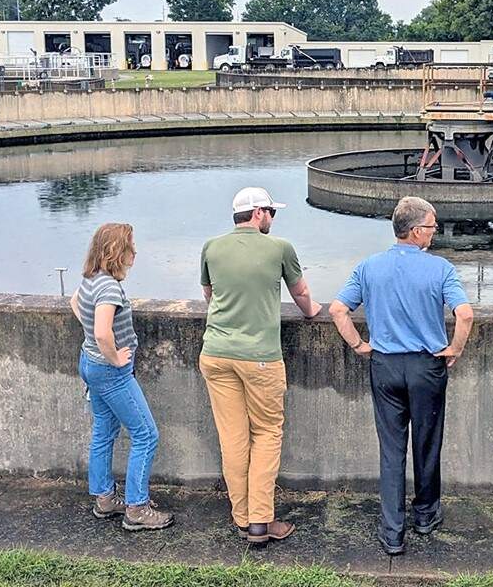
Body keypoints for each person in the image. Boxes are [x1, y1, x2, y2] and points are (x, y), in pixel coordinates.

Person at [328, 196, 474, 556]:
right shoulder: (440, 269)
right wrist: (454, 348)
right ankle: (425, 514)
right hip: (427, 367)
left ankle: (392, 532)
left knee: (392, 450)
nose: (434, 233)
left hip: (386, 365)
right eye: (431, 227)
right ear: (414, 231)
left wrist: (360, 345)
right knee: (427, 442)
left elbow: (337, 309)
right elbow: (466, 315)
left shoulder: (368, 267)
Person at [198, 187, 322, 547]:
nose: (272, 218)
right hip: (260, 358)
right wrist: (313, 311)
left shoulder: (211, 247)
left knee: (232, 438)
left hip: (216, 354)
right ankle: (260, 522)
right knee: (266, 434)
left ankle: (241, 518)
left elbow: (209, 295)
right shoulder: (279, 248)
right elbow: (300, 293)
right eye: (271, 212)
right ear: (258, 214)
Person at [71, 223, 172, 532]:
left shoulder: (91, 279)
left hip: (90, 363)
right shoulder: (109, 288)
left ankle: (104, 500)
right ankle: (137, 508)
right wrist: (115, 355)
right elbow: (103, 332)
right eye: (130, 247)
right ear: (116, 252)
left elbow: (74, 303)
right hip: (110, 371)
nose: (135, 253)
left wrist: (96, 338)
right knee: (146, 434)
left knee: (104, 431)